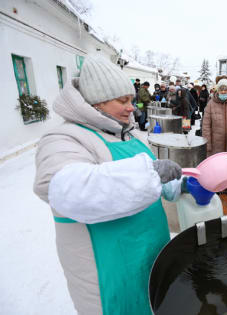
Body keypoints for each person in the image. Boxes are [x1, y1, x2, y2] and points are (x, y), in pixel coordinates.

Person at [33, 55, 186, 315]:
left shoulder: (130, 134)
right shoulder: (64, 138)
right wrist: (150, 173)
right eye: (122, 100)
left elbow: (152, 183)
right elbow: (67, 189)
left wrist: (179, 185)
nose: (132, 108)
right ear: (97, 102)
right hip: (110, 270)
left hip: (149, 255)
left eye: (131, 99)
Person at [202, 79, 227, 156]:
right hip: (215, 147)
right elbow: (206, 127)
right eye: (221, 89)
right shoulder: (210, 104)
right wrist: (208, 146)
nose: (223, 92)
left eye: (226, 89)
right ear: (218, 90)